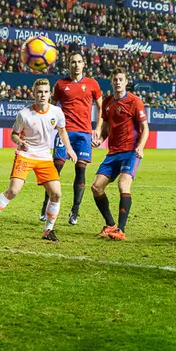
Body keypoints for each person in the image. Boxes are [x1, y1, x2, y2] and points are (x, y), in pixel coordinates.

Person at [0, 79, 77, 242]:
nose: (42, 95)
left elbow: (62, 131)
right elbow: (14, 134)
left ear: (50, 94)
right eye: (39, 92)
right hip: (26, 155)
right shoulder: (24, 114)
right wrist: (19, 142)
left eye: (45, 92)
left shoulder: (57, 113)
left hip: (45, 157)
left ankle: (48, 230)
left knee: (56, 193)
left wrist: (69, 148)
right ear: (33, 93)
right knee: (13, 191)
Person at [40, 50, 103, 225]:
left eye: (78, 62)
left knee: (81, 170)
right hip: (64, 132)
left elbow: (100, 105)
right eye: (72, 62)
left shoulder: (92, 84)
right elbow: (52, 106)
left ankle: (75, 211)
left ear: (84, 64)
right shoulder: (60, 84)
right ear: (69, 65)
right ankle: (46, 205)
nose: (76, 65)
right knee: (56, 169)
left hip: (84, 133)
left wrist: (98, 127)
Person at [91, 68, 150, 241]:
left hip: (130, 151)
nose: (117, 82)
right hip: (113, 153)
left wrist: (140, 146)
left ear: (125, 82)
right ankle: (110, 225)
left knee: (124, 184)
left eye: (120, 79)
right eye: (115, 79)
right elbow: (107, 129)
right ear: (111, 81)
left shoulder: (134, 102)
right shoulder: (108, 103)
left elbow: (145, 128)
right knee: (96, 187)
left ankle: (121, 230)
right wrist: (99, 140)